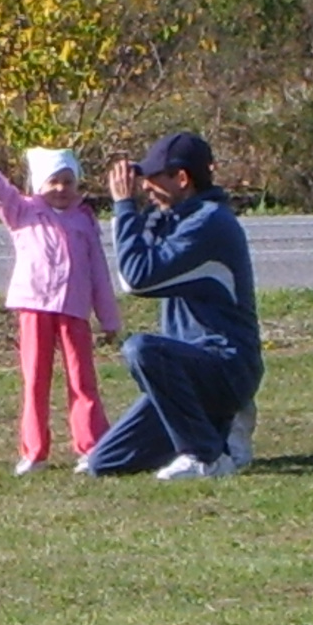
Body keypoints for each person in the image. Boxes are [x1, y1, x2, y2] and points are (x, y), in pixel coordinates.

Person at [84, 131, 263, 481]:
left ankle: (207, 456)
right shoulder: (175, 215)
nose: (145, 186)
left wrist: (123, 206)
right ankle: (219, 432)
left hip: (226, 366)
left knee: (141, 349)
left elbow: (137, 278)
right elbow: (140, 249)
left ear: (182, 179)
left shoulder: (210, 223)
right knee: (103, 462)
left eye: (153, 177)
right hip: (188, 370)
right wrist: (136, 208)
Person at [0, 128, 122, 475]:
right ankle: (34, 451)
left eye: (68, 182)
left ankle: (91, 446)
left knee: (82, 380)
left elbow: (99, 272)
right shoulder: (21, 211)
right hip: (34, 307)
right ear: (40, 184)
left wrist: (110, 319)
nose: (61, 189)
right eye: (54, 182)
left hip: (74, 309)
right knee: (35, 378)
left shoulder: (84, 221)